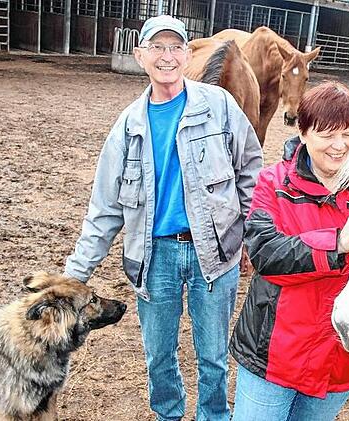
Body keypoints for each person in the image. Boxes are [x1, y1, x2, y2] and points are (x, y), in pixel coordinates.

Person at [63, 15, 263, 421]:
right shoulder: (127, 127)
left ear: (187, 55)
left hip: (214, 253)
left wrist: (246, 234)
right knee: (158, 355)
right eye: (157, 47)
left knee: (213, 355)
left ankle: (213, 416)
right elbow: (104, 210)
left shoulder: (219, 106)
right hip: (154, 257)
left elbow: (251, 170)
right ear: (140, 56)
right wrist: (73, 276)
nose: (166, 56)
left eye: (175, 47)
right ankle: (168, 415)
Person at [229, 82, 349, 421]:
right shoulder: (273, 183)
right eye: (327, 134)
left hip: (339, 357)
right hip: (275, 356)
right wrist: (337, 243)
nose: (339, 145)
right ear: (302, 133)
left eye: (348, 133)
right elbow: (265, 252)